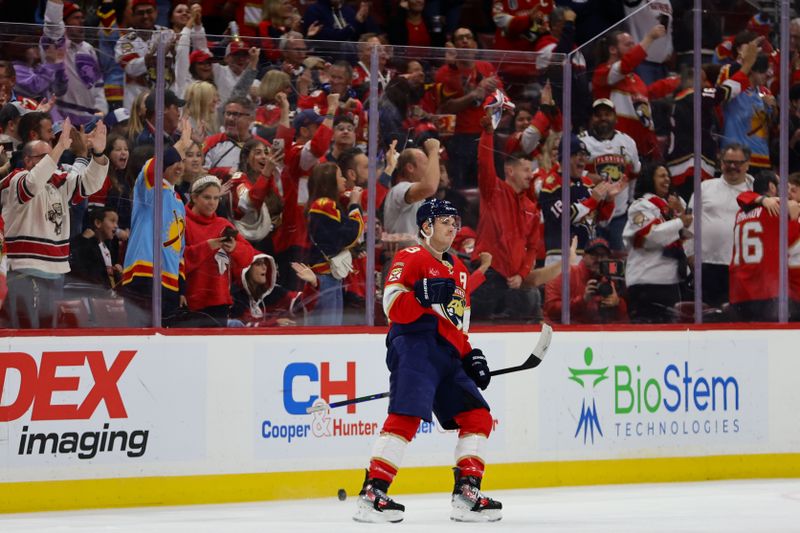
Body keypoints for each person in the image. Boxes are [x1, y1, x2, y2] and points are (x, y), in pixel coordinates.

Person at [355, 198, 501, 524]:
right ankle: (371, 493)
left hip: (448, 354)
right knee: (407, 415)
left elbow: (457, 324)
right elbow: (392, 307)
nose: (452, 226)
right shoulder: (410, 256)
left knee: (478, 416)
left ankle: (466, 493)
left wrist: (470, 355)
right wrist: (420, 295)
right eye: (445, 220)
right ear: (426, 226)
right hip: (415, 344)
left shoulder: (460, 271)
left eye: (455, 221)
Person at [1, 118, 109, 328]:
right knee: (26, 331)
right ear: (28, 160)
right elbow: (33, 182)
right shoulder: (15, 180)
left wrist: (98, 154)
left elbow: (90, 183)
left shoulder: (59, 182)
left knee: (47, 332)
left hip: (56, 271)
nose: (53, 160)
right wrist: (59, 147)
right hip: (24, 270)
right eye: (46, 156)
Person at [471, 108, 540, 322]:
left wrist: (522, 273)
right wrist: (488, 133)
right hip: (489, 275)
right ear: (510, 171)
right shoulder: (494, 191)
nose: (531, 175)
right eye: (526, 170)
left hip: (514, 283)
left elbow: (533, 247)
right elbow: (484, 164)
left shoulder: (531, 208)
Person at [685, 143, 754, 308]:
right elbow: (688, 224)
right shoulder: (704, 188)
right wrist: (690, 255)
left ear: (747, 164)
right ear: (721, 163)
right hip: (707, 265)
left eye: (737, 163)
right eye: (728, 161)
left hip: (742, 268)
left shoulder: (756, 191)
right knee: (708, 317)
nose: (732, 166)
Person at [623, 163, 692, 323]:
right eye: (661, 176)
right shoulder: (640, 206)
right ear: (650, 179)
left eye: (668, 175)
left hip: (672, 282)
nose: (667, 179)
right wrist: (679, 221)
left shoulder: (674, 205)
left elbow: (691, 236)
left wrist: (681, 212)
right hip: (646, 283)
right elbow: (650, 235)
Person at [183, 176, 255, 325]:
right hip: (190, 301)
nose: (212, 203)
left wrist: (234, 248)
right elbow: (178, 260)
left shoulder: (223, 224)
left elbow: (248, 256)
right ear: (194, 197)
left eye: (216, 198)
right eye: (207, 197)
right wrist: (208, 246)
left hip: (219, 300)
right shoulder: (183, 222)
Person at [728, 172, 800, 321]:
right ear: (772, 187)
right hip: (767, 292)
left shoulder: (741, 213)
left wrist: (760, 199)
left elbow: (743, 196)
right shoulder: (780, 209)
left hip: (739, 292)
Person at [305, 162, 364, 326]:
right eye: (340, 176)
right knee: (327, 332)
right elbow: (351, 235)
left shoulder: (324, 204)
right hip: (324, 277)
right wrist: (354, 205)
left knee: (332, 330)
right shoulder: (324, 204)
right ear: (328, 181)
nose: (344, 179)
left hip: (330, 275)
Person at [543, 237, 628, 324]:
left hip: (599, 332)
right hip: (566, 333)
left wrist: (617, 303)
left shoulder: (609, 280)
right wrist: (583, 300)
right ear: (583, 256)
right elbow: (551, 310)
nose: (599, 260)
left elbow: (623, 320)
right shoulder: (565, 274)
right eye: (594, 255)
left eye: (603, 256)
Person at [230, 254, 319, 326]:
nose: (264, 267)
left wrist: (313, 284)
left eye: (265, 263)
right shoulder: (235, 296)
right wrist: (274, 323)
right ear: (246, 270)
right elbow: (241, 326)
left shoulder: (275, 292)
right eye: (258, 264)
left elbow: (303, 306)